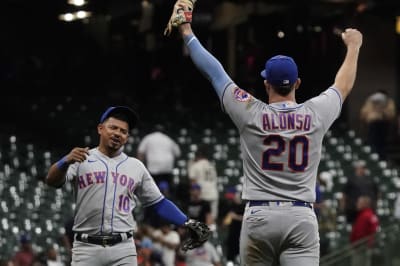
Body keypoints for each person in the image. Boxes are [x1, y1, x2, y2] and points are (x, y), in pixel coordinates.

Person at [167, 1, 363, 264]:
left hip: (259, 215)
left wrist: (187, 31)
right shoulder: (316, 112)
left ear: (266, 83)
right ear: (297, 83)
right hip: (300, 216)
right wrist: (353, 47)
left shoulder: (251, 111)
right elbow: (343, 84)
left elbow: (215, 72)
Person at [45, 106, 209, 266]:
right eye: (113, 128)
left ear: (127, 137)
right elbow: (52, 181)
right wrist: (64, 161)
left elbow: (158, 203)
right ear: (100, 129)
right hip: (86, 248)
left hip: (123, 249)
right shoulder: (81, 158)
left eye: (123, 131)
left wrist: (186, 222)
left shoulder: (135, 166)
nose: (118, 133)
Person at [137, 124, 181, 197]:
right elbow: (178, 153)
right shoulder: (168, 139)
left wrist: (140, 167)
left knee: (153, 190)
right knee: (167, 189)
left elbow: (140, 152)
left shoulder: (148, 138)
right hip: (167, 169)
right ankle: (167, 199)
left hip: (153, 169)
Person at [360, 90, 396, 159]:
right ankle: (374, 157)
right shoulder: (370, 101)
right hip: (373, 124)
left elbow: (391, 114)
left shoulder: (389, 102)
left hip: (384, 123)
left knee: (382, 144)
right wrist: (374, 112)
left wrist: (382, 112)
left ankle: (382, 158)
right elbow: (364, 114)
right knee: (373, 142)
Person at [188, 144, 219, 221]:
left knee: (201, 222)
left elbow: (193, 183)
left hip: (202, 196)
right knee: (211, 221)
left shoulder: (195, 165)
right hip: (213, 194)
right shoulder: (211, 165)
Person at [349, 196, 379, 266]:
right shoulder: (361, 215)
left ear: (365, 204)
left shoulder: (369, 215)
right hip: (357, 246)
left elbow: (374, 231)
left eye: (359, 202)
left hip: (363, 247)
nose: (357, 204)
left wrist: (369, 243)